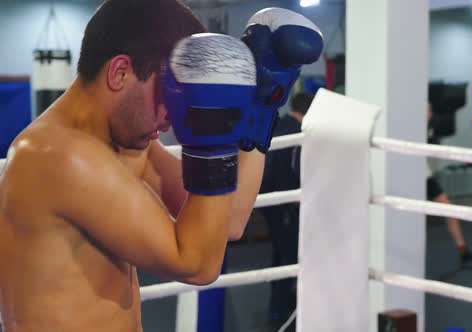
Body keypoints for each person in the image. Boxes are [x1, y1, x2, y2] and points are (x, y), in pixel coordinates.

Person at [0, 1, 323, 331]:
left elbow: (230, 220)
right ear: (120, 72)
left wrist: (260, 108)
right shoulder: (58, 156)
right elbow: (196, 263)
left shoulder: (129, 145)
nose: (172, 118)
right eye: (170, 95)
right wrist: (213, 137)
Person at [259, 92, 314, 329]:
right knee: (291, 256)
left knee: (282, 255)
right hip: (281, 202)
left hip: (269, 199)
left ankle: (278, 312)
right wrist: (297, 203)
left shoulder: (280, 124)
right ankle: (286, 313)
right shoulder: (296, 132)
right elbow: (288, 172)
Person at [427, 105, 472, 265]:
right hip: (410, 175)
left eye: (430, 109)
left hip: (423, 176)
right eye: (427, 109)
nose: (430, 112)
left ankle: (463, 250)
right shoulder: (409, 126)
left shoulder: (427, 128)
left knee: (448, 209)